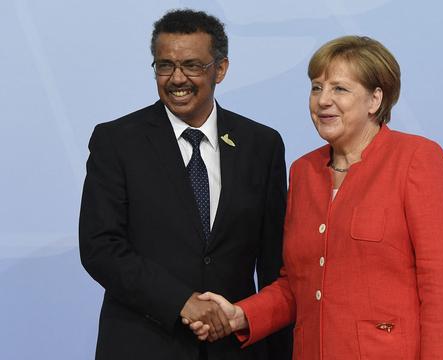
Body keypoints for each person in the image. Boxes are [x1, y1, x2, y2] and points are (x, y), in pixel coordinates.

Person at [189, 35, 443, 359]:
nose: (322, 100)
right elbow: (296, 286)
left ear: (375, 99)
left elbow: (442, 289)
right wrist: (240, 315)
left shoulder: (416, 159)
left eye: (340, 89)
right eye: (317, 87)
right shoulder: (304, 171)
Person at [79, 9, 291, 360]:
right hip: (142, 345)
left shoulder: (261, 145)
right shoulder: (117, 141)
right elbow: (101, 246)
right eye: (165, 66)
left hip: (235, 349)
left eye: (192, 65)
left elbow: (274, 265)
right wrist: (181, 302)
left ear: (220, 70)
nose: (177, 78)